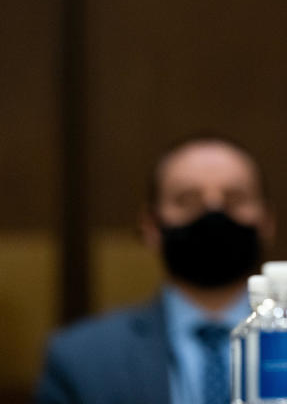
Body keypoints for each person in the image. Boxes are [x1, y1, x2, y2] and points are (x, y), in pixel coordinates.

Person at [34, 134, 274, 404]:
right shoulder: (80, 358)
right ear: (151, 227)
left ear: (265, 221)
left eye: (235, 198)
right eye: (187, 199)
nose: (213, 212)